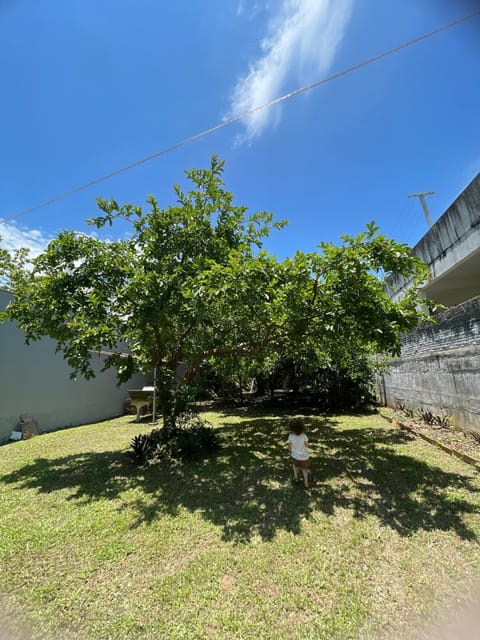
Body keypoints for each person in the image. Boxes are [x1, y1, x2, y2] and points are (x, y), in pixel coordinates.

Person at [287, 416, 310, 488]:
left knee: (295, 465)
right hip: (303, 457)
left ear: (291, 428)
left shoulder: (290, 436)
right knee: (304, 470)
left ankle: (296, 476)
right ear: (301, 427)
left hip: (295, 456)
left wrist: (290, 453)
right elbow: (307, 445)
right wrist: (308, 444)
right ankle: (306, 482)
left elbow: (289, 446)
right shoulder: (303, 435)